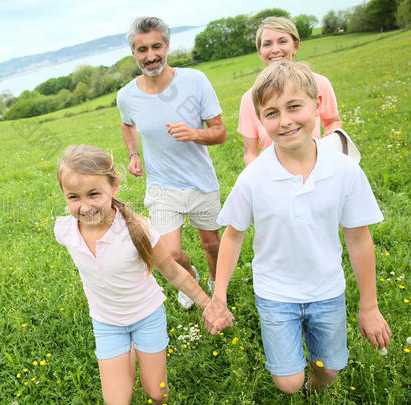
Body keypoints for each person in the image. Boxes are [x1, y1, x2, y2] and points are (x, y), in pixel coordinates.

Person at [203, 61, 391, 394]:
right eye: (272, 113)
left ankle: (316, 382)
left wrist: (370, 306)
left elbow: (359, 240)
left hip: (327, 290)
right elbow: (232, 236)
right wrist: (218, 298)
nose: (286, 121)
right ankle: (295, 379)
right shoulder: (253, 178)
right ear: (260, 121)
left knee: (329, 371)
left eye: (294, 107)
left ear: (317, 105)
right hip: (275, 293)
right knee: (289, 383)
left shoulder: (345, 170)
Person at [54, 145, 215, 405]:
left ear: (114, 187)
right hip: (107, 323)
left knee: (156, 393)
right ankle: (125, 350)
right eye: (73, 197)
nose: (84, 207)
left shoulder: (136, 229)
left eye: (94, 194)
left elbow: (173, 271)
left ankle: (135, 352)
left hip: (146, 316)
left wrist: (208, 304)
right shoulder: (65, 230)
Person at [116, 16, 227, 308]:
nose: (150, 56)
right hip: (162, 185)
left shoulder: (194, 81)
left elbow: (220, 133)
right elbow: (128, 125)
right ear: (134, 53)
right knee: (170, 253)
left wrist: (194, 133)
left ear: (167, 45)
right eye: (142, 50)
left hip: (200, 181)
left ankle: (215, 285)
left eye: (156, 47)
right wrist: (134, 155)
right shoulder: (126, 96)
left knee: (212, 245)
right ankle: (189, 277)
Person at [238, 16, 342, 166]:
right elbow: (250, 153)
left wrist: (329, 147)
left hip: (316, 165)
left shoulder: (320, 84)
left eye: (282, 41)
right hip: (276, 175)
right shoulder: (249, 99)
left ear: (295, 46)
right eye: (267, 44)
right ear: (260, 52)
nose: (275, 50)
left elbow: (333, 121)